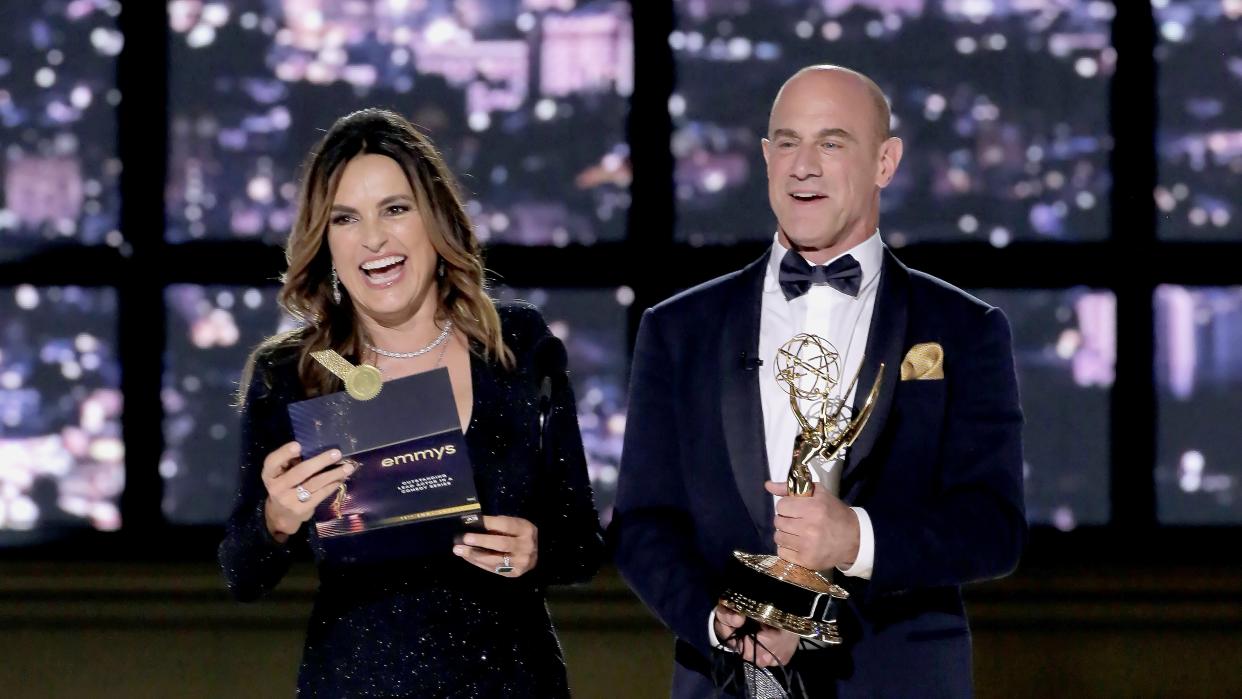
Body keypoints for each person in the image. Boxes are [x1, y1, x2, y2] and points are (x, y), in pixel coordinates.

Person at [611, 65, 1026, 698]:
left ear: (885, 162)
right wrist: (719, 622)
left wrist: (855, 538)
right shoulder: (678, 330)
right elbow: (642, 524)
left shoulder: (966, 330)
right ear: (765, 158)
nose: (803, 165)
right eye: (786, 142)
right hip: (727, 684)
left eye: (831, 143)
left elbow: (993, 528)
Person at [219, 108, 603, 697]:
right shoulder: (292, 374)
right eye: (346, 218)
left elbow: (580, 543)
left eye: (395, 209)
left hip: (511, 682)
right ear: (326, 240)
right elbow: (241, 573)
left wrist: (537, 550)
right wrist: (277, 519)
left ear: (436, 219)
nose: (373, 238)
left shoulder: (517, 346)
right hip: (356, 682)